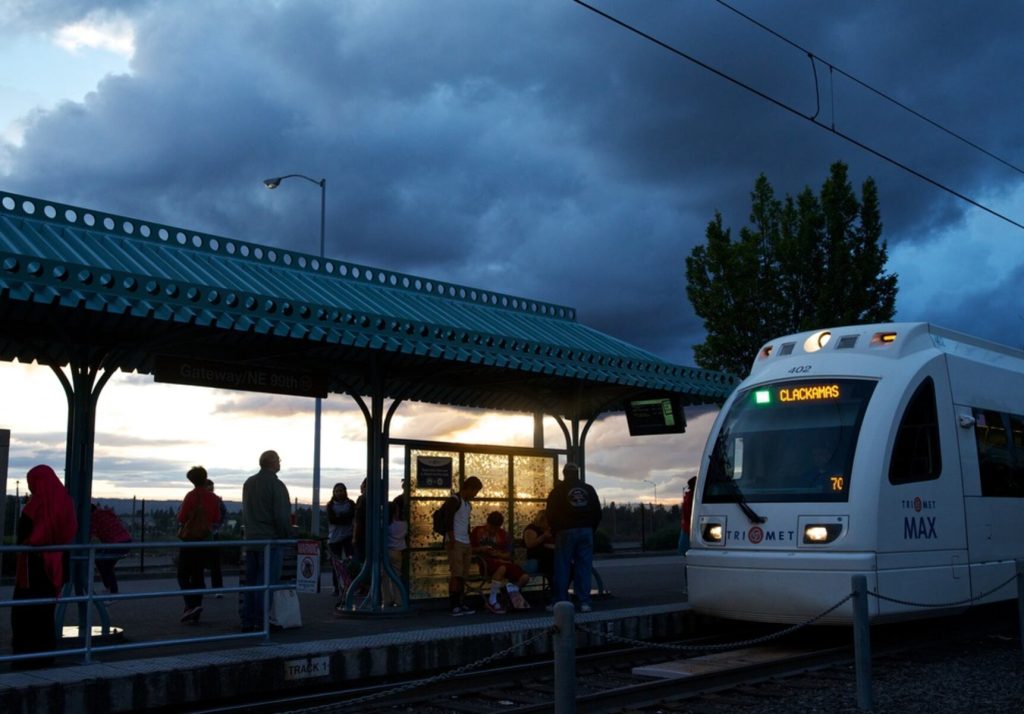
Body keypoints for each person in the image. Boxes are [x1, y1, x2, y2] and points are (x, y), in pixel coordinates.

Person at [11, 465, 77, 669]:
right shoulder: (65, 503)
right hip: (56, 565)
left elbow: (22, 537)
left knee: (24, 613)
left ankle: (24, 658)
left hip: (33, 566)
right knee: (46, 612)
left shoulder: (33, 506)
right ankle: (45, 656)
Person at [241, 450, 291, 632]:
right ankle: (262, 622)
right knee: (267, 583)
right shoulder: (276, 485)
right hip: (270, 540)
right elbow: (281, 516)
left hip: (250, 540)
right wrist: (286, 535)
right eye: (279, 460)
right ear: (273, 463)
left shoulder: (248, 483)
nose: (280, 463)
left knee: (251, 582)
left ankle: (248, 621)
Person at [546, 462, 601, 613]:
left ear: (564, 474)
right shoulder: (588, 489)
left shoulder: (558, 490)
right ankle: (584, 602)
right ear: (577, 473)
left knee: (562, 566)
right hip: (586, 531)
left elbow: (550, 513)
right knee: (584, 566)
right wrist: (591, 529)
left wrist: (556, 530)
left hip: (565, 531)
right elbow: (597, 512)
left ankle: (561, 601)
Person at [176, 466, 222, 623]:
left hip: (190, 540)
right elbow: (216, 519)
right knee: (198, 573)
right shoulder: (214, 498)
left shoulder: (190, 496)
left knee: (183, 574)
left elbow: (181, 518)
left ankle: (190, 604)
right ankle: (197, 607)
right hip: (206, 540)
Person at [438, 475, 483, 616]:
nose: (475, 495)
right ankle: (454, 604)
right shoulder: (454, 500)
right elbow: (448, 521)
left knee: (463, 574)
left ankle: (461, 602)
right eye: (475, 491)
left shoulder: (467, 504)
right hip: (456, 541)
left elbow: (465, 523)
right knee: (456, 574)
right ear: (469, 488)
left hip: (465, 541)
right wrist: (451, 540)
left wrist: (468, 540)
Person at [471, 511, 531, 613]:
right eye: (491, 527)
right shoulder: (477, 531)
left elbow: (509, 554)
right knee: (502, 568)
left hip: (503, 561)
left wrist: (499, 555)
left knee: (525, 577)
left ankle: (511, 591)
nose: (493, 531)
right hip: (487, 562)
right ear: (487, 523)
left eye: (496, 528)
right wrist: (481, 549)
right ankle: (492, 600)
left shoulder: (503, 535)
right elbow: (470, 549)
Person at [89, 503, 132, 597]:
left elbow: (92, 536)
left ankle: (112, 591)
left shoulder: (94, 517)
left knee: (104, 563)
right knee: (104, 562)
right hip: (126, 540)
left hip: (117, 543)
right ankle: (110, 588)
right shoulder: (105, 513)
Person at [325, 482, 356, 596]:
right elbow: (332, 520)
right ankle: (336, 587)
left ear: (345, 491)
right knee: (335, 564)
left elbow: (351, 517)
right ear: (334, 493)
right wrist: (344, 518)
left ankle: (352, 586)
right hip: (334, 538)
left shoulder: (351, 504)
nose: (339, 493)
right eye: (337, 491)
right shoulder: (330, 505)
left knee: (350, 562)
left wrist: (340, 518)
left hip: (348, 537)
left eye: (341, 490)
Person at [382, 495, 408, 608]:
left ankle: (387, 600)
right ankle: (399, 600)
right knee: (397, 577)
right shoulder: (404, 524)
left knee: (384, 577)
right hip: (398, 552)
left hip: (387, 551)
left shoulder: (386, 525)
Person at [204, 480, 229, 596]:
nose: (211, 491)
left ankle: (206, 589)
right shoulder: (217, 500)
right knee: (214, 563)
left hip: (206, 534)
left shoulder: (215, 500)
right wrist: (218, 525)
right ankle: (216, 589)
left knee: (213, 563)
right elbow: (224, 513)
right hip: (212, 533)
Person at [522, 510, 555, 582]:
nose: (548, 524)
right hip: (534, 560)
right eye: (547, 522)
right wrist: (543, 537)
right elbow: (529, 544)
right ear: (541, 520)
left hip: (546, 559)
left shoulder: (545, 529)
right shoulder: (531, 529)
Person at [677, 476, 696, 556]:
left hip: (686, 527)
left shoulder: (688, 496)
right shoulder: (692, 497)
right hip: (689, 528)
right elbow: (689, 514)